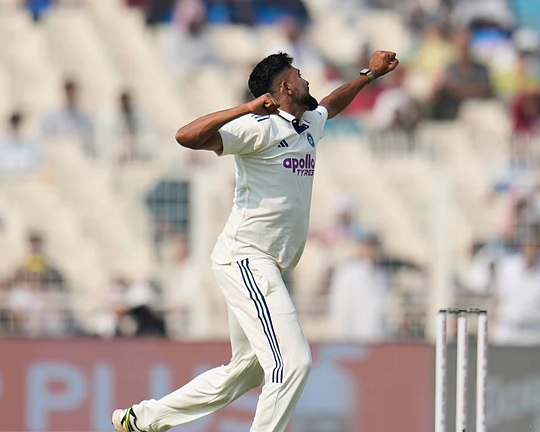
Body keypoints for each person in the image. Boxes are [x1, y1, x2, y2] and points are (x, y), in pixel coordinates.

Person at [111, 50, 400, 432]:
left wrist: (369, 75)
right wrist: (246, 107)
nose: (307, 80)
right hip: (247, 258)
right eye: (299, 75)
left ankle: (143, 419)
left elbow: (332, 103)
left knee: (245, 372)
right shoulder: (258, 128)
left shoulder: (308, 122)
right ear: (285, 87)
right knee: (293, 363)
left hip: (268, 266)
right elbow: (186, 136)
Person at [328, 234, 391, 341]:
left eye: (375, 246)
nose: (373, 251)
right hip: (354, 337)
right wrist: (342, 334)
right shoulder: (348, 272)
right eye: (369, 246)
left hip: (378, 338)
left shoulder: (383, 275)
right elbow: (340, 305)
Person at [431, 28, 493, 120]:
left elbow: (485, 90)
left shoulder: (482, 69)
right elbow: (446, 91)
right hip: (456, 113)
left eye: (467, 45)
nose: (464, 49)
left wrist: (458, 89)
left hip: (479, 110)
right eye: (461, 46)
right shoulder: (449, 69)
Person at [41, 79, 95, 157]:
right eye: (68, 92)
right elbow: (47, 142)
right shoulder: (52, 118)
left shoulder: (85, 119)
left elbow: (89, 145)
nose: (70, 95)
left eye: (72, 92)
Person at [0, 112, 43, 179]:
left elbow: (37, 167)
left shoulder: (32, 146)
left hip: (27, 183)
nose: (15, 127)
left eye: (18, 123)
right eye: (13, 123)